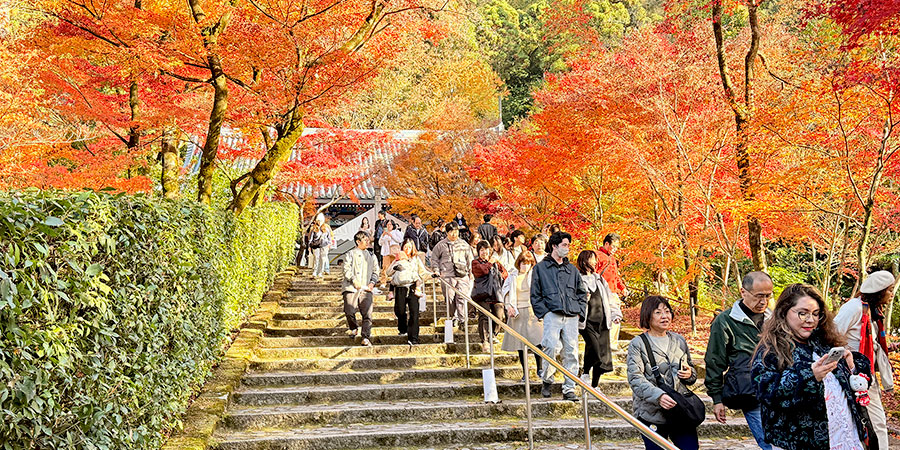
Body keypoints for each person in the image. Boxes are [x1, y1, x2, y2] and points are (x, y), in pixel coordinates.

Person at [752, 284, 875, 450]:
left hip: (846, 438)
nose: (810, 320)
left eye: (815, 314)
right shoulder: (771, 349)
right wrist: (809, 376)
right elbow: (765, 392)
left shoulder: (825, 342)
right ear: (784, 312)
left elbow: (857, 386)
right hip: (799, 443)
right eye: (802, 313)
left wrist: (851, 366)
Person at [704, 271, 773, 450]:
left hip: (778, 390)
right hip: (750, 392)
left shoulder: (774, 320)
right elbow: (714, 361)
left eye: (768, 296)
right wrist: (717, 399)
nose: (763, 302)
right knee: (769, 444)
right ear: (743, 292)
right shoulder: (725, 322)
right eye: (759, 296)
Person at [626, 296, 699, 450]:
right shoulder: (638, 344)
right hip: (651, 412)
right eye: (658, 312)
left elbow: (690, 369)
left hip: (679, 409)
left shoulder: (679, 340)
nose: (664, 316)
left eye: (667, 311)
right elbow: (635, 378)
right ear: (647, 315)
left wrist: (689, 374)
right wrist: (658, 396)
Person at [834, 270, 896, 450]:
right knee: (871, 422)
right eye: (889, 290)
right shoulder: (854, 308)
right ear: (879, 290)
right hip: (853, 375)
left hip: (867, 376)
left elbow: (871, 341)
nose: (892, 294)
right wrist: (848, 356)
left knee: (876, 422)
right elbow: (833, 336)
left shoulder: (873, 311)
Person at [531, 231, 586, 402]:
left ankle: (569, 388)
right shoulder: (540, 268)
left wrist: (580, 312)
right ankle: (547, 379)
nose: (567, 248)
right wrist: (544, 313)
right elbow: (535, 294)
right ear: (554, 246)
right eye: (564, 245)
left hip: (571, 315)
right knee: (551, 347)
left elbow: (581, 292)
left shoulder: (572, 269)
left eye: (568, 245)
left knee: (571, 352)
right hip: (552, 313)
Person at [576, 250, 622, 388]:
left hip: (602, 320)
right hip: (586, 321)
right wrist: (583, 299)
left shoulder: (599, 279)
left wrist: (615, 314)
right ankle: (585, 373)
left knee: (602, 353)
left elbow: (609, 298)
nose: (595, 262)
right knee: (595, 350)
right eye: (592, 259)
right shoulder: (577, 278)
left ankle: (594, 385)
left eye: (595, 259)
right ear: (584, 261)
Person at [501, 251, 544, 381]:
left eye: (528, 263)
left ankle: (540, 368)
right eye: (523, 263)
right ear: (518, 263)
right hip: (517, 311)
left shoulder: (535, 276)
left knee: (538, 341)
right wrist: (508, 306)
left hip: (532, 310)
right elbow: (506, 292)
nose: (525, 266)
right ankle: (525, 372)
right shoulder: (512, 276)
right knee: (520, 345)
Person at [386, 238, 435, 346]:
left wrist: (432, 275)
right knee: (400, 311)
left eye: (409, 247)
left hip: (413, 286)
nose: (407, 249)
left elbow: (422, 272)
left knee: (414, 312)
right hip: (400, 287)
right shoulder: (398, 259)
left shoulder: (415, 259)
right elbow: (388, 272)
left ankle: (413, 337)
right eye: (405, 247)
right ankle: (403, 328)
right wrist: (396, 265)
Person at [431, 222, 474, 326]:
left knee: (461, 297)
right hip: (447, 275)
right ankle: (453, 317)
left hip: (462, 275)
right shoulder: (440, 245)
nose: (454, 234)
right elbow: (434, 259)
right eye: (451, 232)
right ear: (447, 233)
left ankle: (462, 319)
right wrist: (436, 270)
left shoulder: (464, 244)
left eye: (456, 232)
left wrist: (471, 272)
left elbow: (470, 259)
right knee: (450, 299)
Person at [341, 231, 380, 346]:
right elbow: (346, 269)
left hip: (366, 288)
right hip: (351, 287)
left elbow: (375, 271)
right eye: (365, 240)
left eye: (368, 240)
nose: (368, 242)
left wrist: (372, 283)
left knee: (367, 313)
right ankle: (353, 327)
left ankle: (366, 336)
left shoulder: (372, 256)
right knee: (349, 310)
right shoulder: (350, 254)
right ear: (358, 242)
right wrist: (353, 279)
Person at [472, 241, 508, 352]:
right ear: (478, 251)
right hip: (482, 293)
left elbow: (505, 274)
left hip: (495, 292)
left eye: (486, 249)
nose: (484, 252)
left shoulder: (495, 262)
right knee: (484, 316)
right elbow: (482, 271)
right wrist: (490, 263)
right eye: (481, 250)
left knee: (499, 315)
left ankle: (493, 334)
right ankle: (485, 341)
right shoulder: (475, 262)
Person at [596, 233, 627, 350]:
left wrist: (622, 287)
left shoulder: (613, 259)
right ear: (606, 243)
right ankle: (604, 343)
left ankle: (612, 343)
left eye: (616, 247)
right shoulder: (597, 255)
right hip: (602, 291)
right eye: (613, 246)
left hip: (613, 292)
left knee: (616, 317)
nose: (614, 249)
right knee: (603, 317)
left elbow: (616, 276)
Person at [379, 220, 403, 284]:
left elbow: (400, 240)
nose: (389, 226)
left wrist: (391, 235)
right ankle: (383, 282)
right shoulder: (384, 233)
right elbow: (380, 243)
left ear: (393, 225)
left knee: (394, 267)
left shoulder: (396, 232)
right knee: (385, 267)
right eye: (388, 224)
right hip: (386, 252)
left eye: (390, 224)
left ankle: (394, 281)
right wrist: (383, 235)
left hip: (394, 252)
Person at [309, 213, 332, 279]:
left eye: (321, 221)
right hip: (316, 246)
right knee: (316, 258)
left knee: (323, 259)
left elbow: (329, 237)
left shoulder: (326, 228)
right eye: (319, 220)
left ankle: (320, 272)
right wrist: (309, 246)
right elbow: (311, 238)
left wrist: (329, 244)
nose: (320, 222)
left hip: (324, 245)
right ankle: (315, 271)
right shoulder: (314, 228)